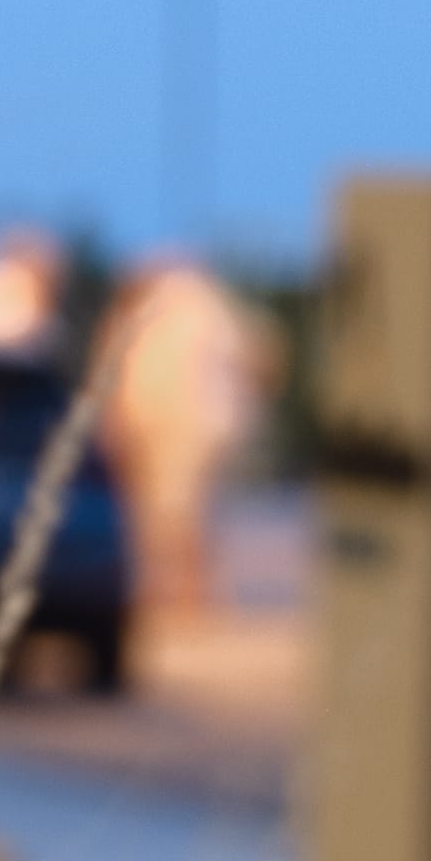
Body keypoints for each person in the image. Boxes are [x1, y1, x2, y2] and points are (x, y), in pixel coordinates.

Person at [98, 250, 270, 637]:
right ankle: (182, 595)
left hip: (180, 429)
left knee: (175, 514)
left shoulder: (182, 311)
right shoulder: (205, 309)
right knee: (173, 515)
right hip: (181, 428)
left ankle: (188, 596)